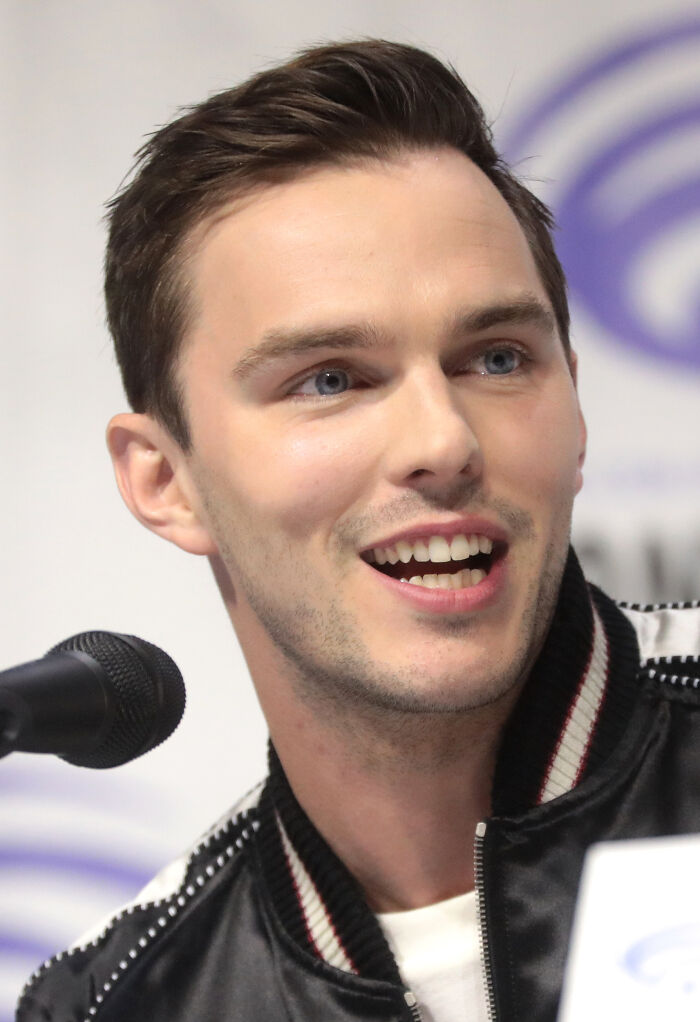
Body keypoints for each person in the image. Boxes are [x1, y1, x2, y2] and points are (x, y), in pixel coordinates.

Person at [17, 39, 700, 1022]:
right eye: (329, 378)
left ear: (575, 407)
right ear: (166, 479)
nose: (444, 440)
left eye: (496, 358)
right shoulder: (122, 1001)